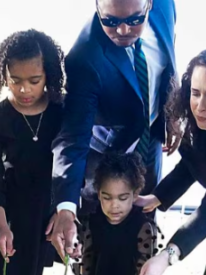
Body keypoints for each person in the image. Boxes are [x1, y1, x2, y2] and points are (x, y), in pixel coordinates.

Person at [49, 0, 177, 261]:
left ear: (150, 5)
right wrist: (66, 208)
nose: (122, 30)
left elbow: (168, 61)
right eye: (110, 21)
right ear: (97, 7)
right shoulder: (84, 57)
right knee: (100, 243)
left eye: (133, 20)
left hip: (149, 140)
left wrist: (172, 114)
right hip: (106, 154)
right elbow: (74, 137)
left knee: (143, 230)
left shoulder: (166, 6)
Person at [0, 30, 64, 275]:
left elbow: (73, 166)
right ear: (3, 74)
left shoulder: (61, 113)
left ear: (49, 75)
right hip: (8, 210)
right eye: (15, 80)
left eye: (34, 80)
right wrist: (2, 227)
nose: (24, 89)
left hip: (47, 210)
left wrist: (62, 211)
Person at [131, 51, 206, 275]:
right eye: (196, 93)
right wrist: (158, 197)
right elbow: (191, 164)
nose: (201, 105)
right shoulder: (198, 128)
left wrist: (167, 255)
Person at [78, 152, 163, 275]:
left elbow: (143, 265)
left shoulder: (143, 225)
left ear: (135, 194)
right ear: (98, 194)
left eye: (122, 198)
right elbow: (87, 256)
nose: (114, 205)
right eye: (106, 198)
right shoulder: (93, 222)